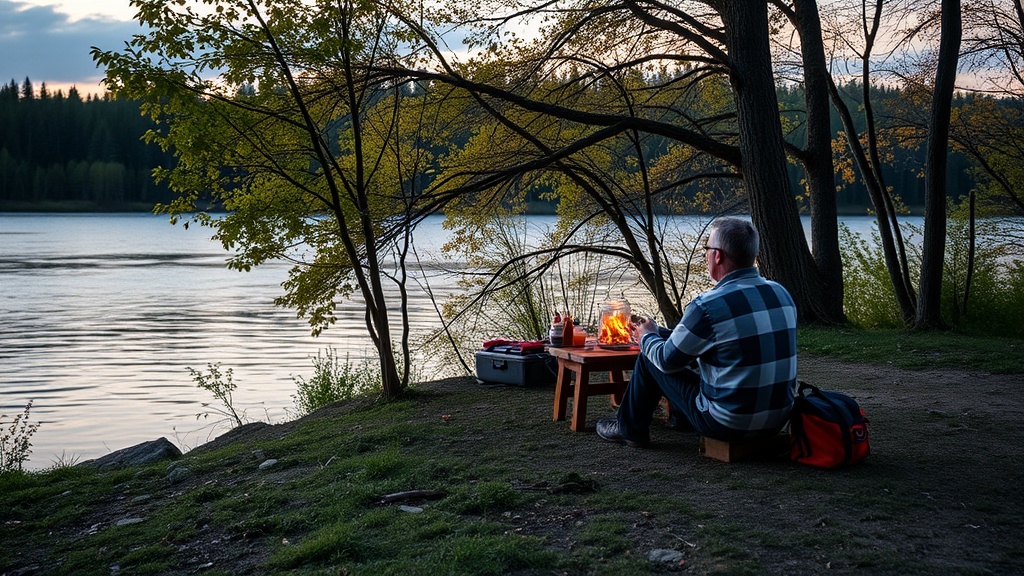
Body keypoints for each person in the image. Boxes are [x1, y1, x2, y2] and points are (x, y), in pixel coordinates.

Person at [596, 217, 797, 447]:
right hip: (778, 420)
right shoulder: (781, 294)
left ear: (718, 255)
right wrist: (659, 331)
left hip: (728, 424)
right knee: (671, 351)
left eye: (707, 249)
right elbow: (724, 341)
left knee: (649, 358)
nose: (705, 254)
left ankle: (629, 428)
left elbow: (665, 361)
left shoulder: (709, 305)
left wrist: (647, 336)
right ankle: (680, 419)